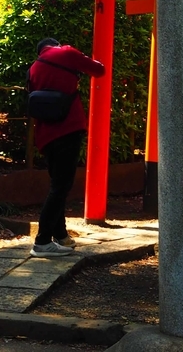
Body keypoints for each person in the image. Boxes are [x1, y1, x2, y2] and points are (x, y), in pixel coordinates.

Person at [28, 37, 105, 258]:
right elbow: (99, 70)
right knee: (61, 186)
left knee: (57, 184)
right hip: (68, 129)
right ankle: (42, 242)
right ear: (56, 45)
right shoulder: (66, 53)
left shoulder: (33, 69)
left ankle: (60, 236)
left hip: (45, 136)